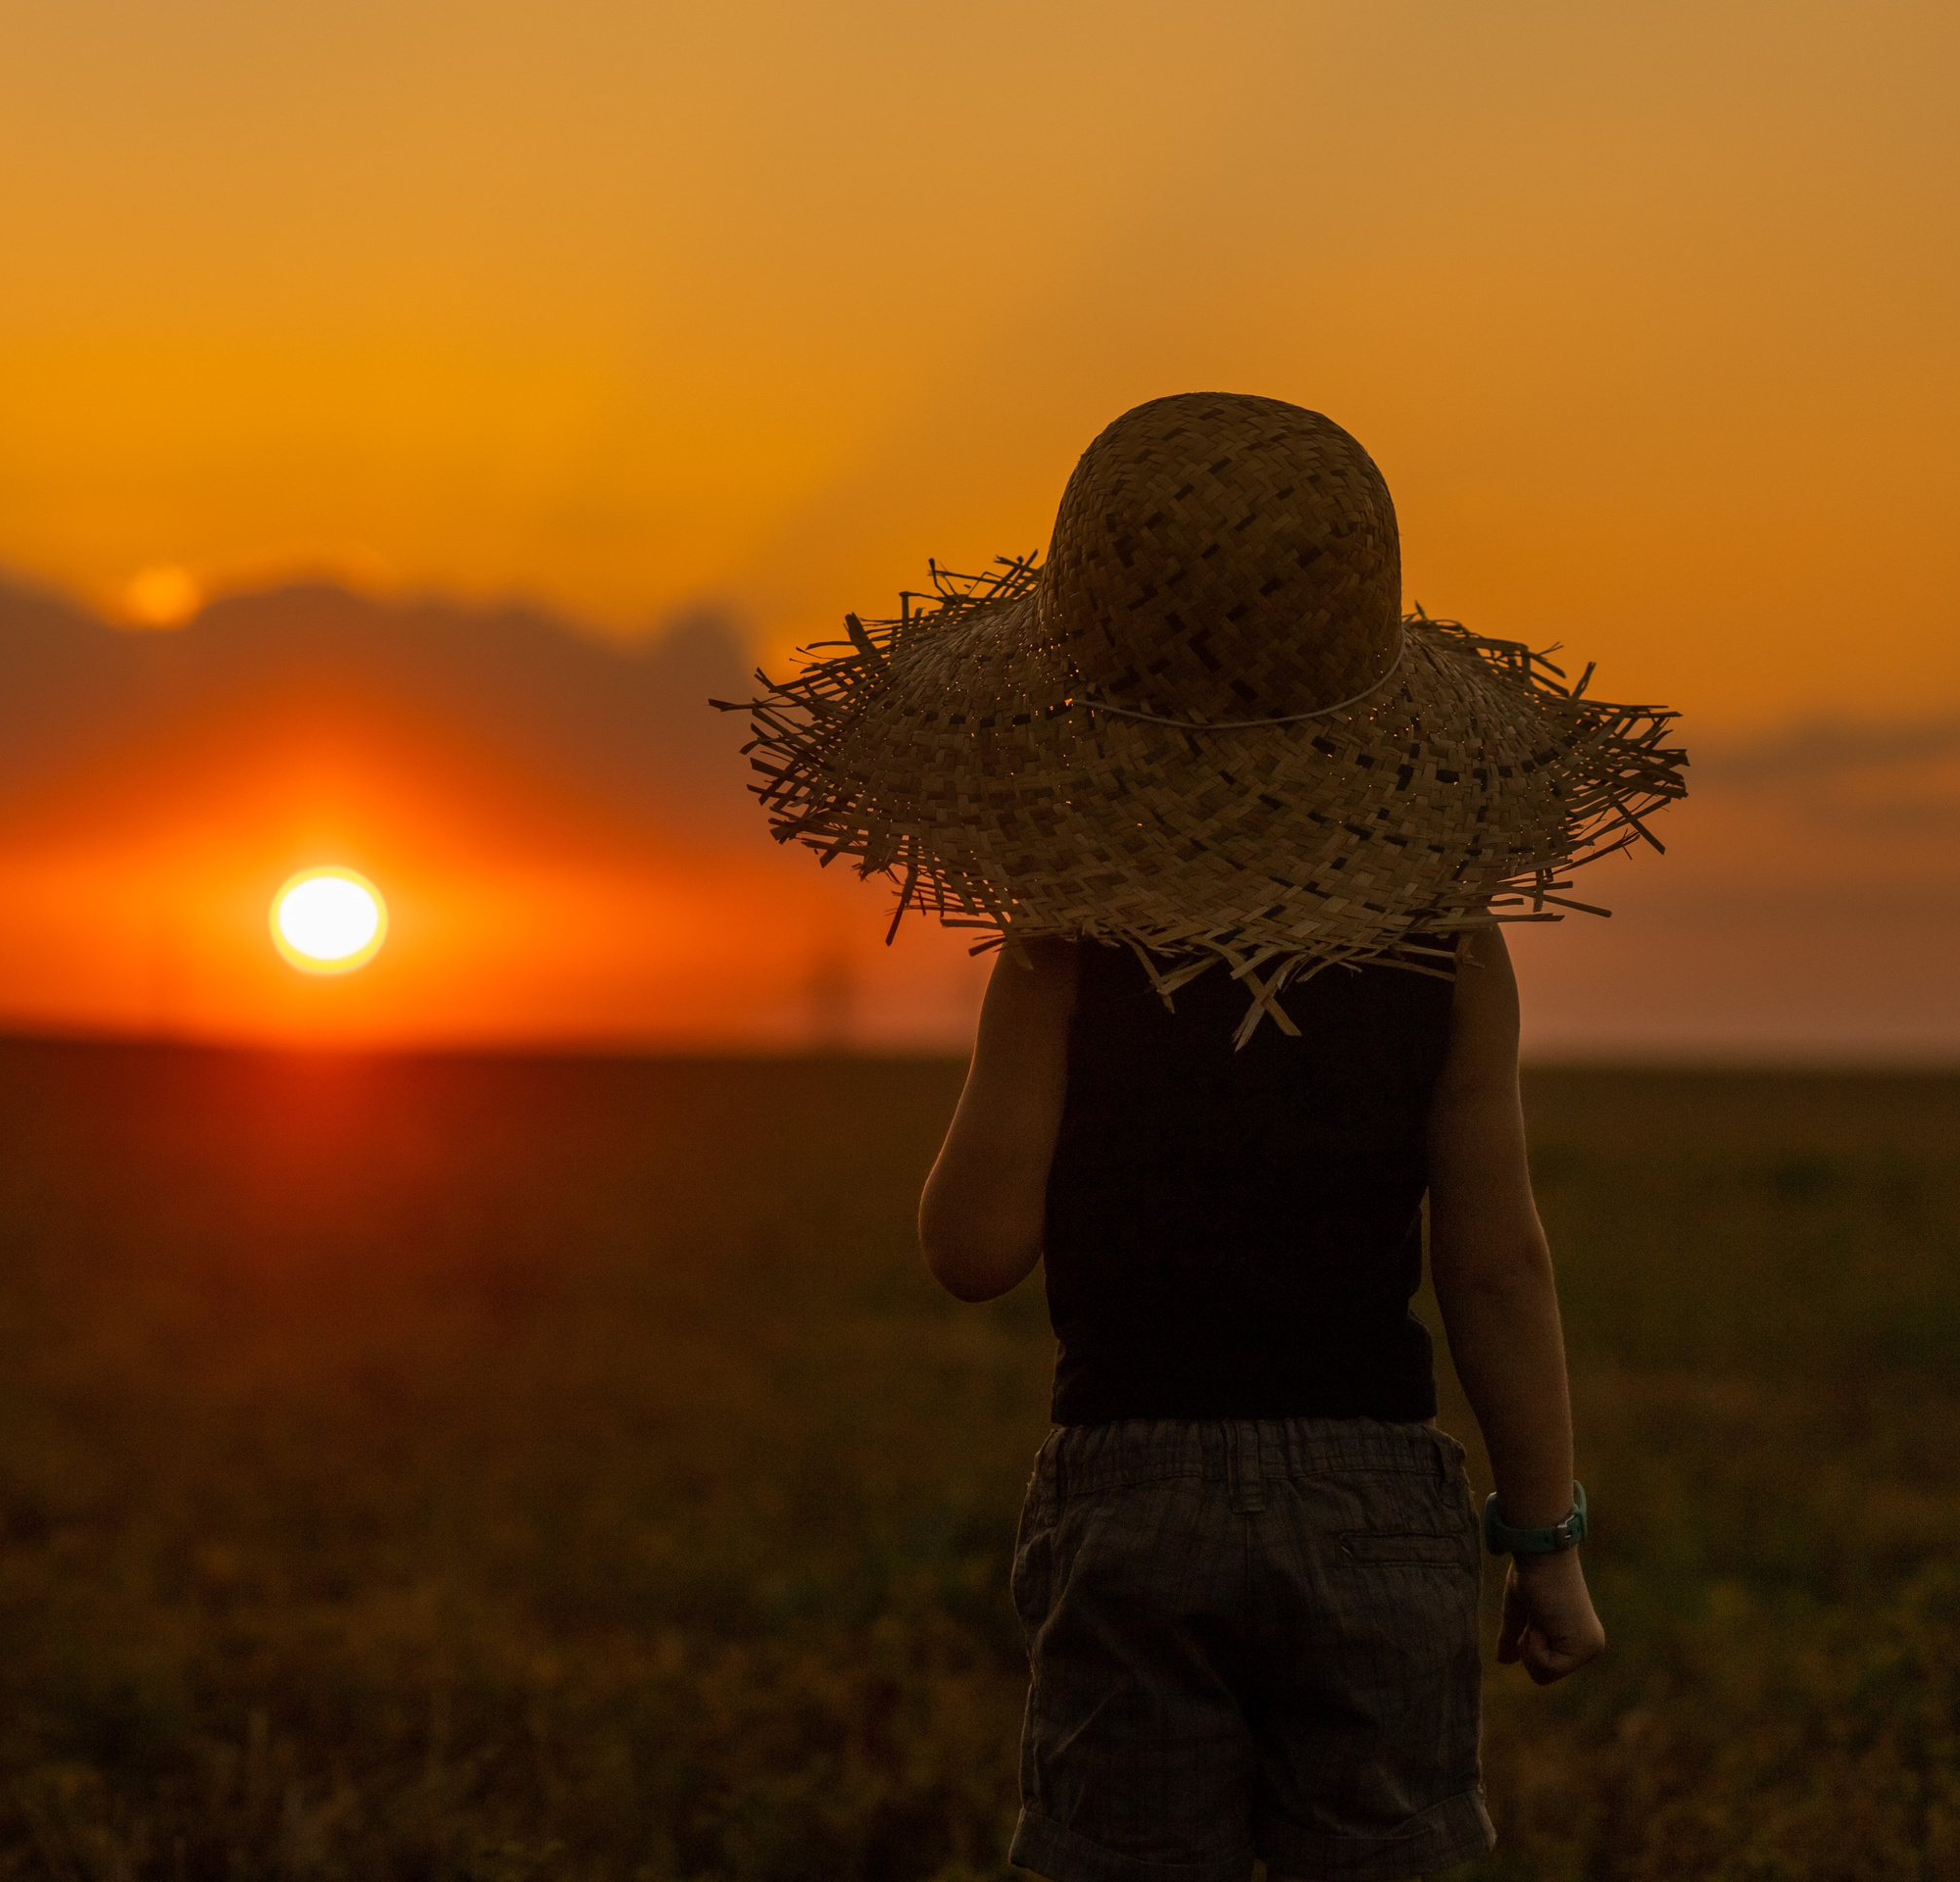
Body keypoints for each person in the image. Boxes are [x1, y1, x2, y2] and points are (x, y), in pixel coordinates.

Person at [720, 392, 1685, 1880]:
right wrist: (1544, 1542)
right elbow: (1498, 1268)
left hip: (1133, 1502)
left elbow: (971, 1253)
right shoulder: (1452, 952)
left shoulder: (1064, 954)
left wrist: (1025, 1026)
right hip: (1378, 1500)